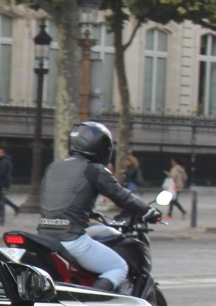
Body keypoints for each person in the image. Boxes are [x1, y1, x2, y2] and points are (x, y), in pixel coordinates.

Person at [37, 121, 160, 293]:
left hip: (45, 237)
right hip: (72, 240)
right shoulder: (93, 169)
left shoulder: (54, 166)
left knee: (98, 238)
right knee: (118, 267)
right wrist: (148, 211)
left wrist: (86, 211)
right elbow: (122, 196)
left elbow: (63, 197)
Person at [0, 146, 19, 223]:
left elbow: (3, 172)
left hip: (3, 181)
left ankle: (0, 215)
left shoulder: (4, 161)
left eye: (0, 152)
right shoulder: (5, 160)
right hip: (4, 181)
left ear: (4, 153)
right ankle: (0, 213)